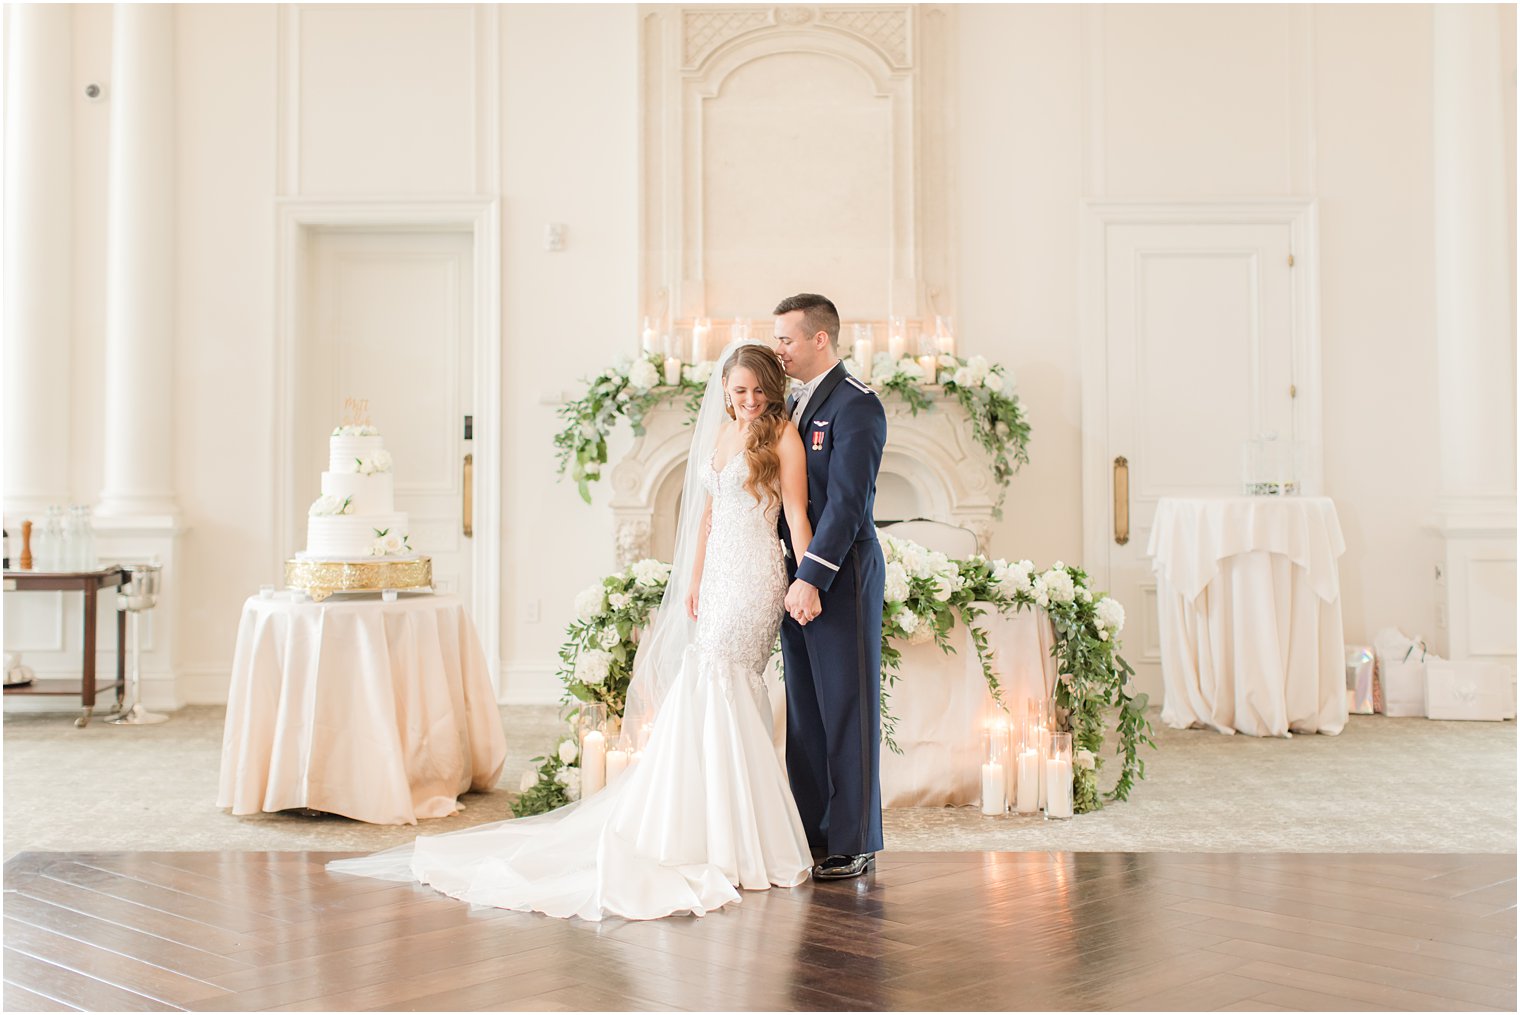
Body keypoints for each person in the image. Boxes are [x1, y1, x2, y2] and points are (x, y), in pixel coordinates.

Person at [328, 340, 818, 921]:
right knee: (705, 681)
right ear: (724, 390)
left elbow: (794, 514)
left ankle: (739, 837)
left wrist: (805, 580)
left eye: (759, 391)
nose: (749, 402)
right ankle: (704, 830)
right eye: (739, 392)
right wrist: (690, 578)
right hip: (714, 581)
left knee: (726, 681)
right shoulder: (718, 433)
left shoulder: (782, 434)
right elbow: (708, 514)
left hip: (756, 577)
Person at [772, 293, 888, 880]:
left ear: (820, 339)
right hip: (795, 577)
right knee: (808, 713)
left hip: (839, 576)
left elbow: (846, 505)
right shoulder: (791, 405)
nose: (779, 350)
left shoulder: (856, 405)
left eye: (787, 339)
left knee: (847, 707)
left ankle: (854, 839)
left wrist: (812, 577)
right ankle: (813, 830)